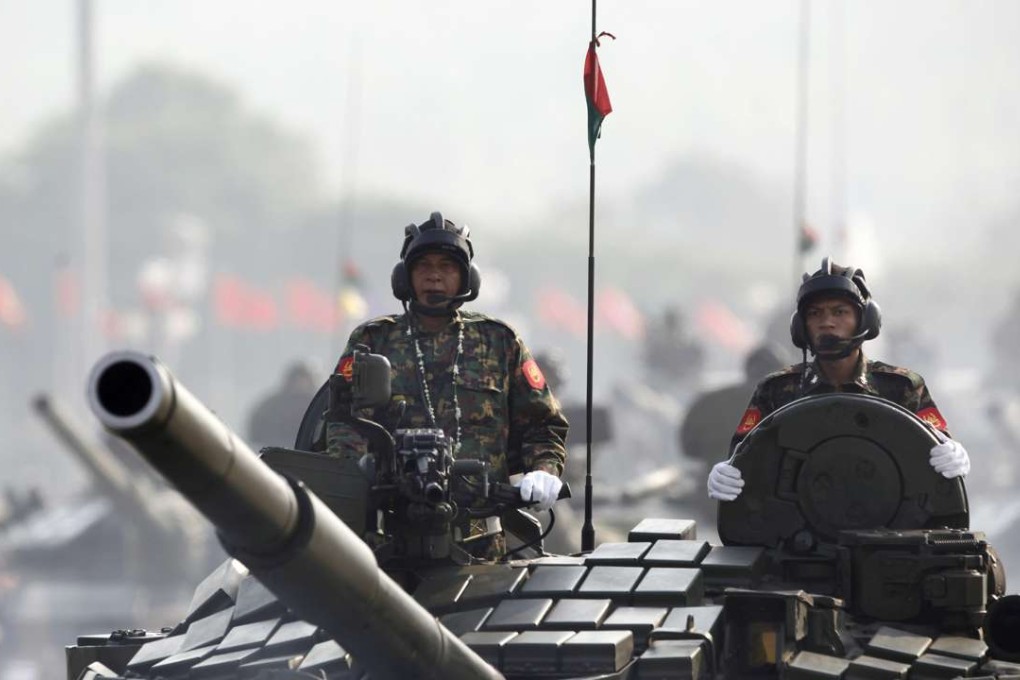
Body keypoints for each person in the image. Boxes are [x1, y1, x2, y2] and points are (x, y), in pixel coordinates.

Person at [329, 212, 569, 557]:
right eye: (424, 266)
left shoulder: (498, 341)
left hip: (481, 540)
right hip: (387, 543)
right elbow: (342, 424)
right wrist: (355, 479)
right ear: (405, 277)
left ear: (467, 277)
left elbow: (542, 424)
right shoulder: (373, 339)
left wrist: (543, 472)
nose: (435, 276)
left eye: (447, 266)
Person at [708, 257, 971, 502]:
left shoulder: (902, 387)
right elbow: (743, 458)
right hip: (797, 532)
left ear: (865, 320)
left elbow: (938, 450)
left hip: (889, 529)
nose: (827, 323)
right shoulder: (776, 390)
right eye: (815, 314)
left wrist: (952, 453)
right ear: (801, 327)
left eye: (839, 312)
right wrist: (725, 473)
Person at [247, 360, 320, 451]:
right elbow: (256, 434)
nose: (300, 385)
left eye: (304, 380)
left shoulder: (319, 408)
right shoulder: (270, 407)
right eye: (297, 380)